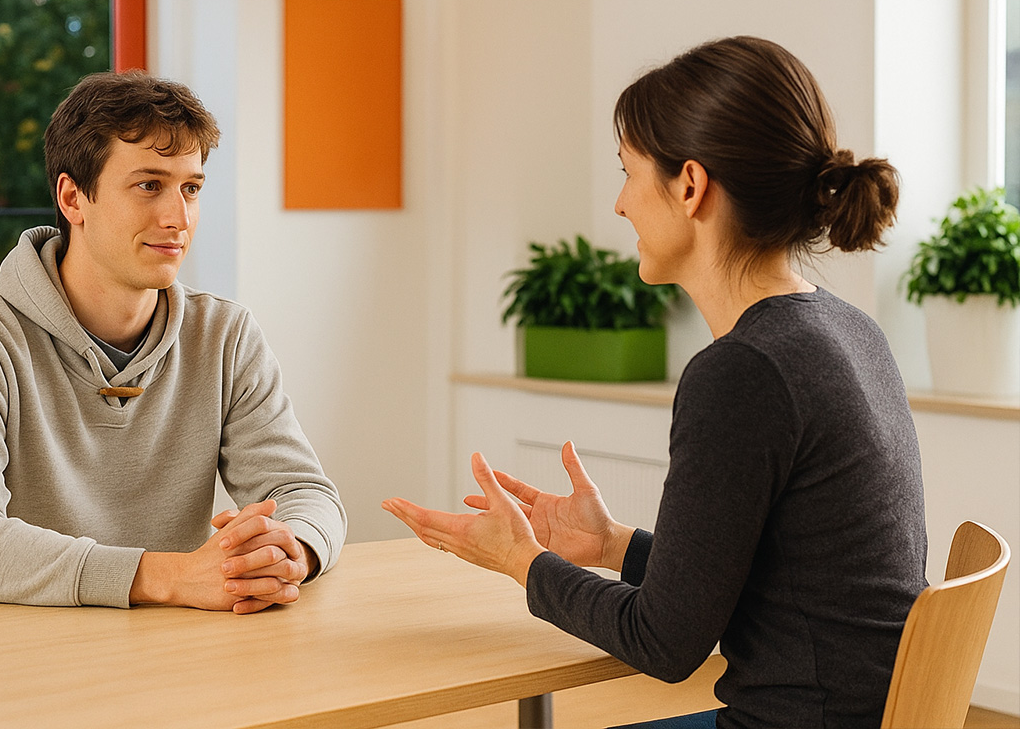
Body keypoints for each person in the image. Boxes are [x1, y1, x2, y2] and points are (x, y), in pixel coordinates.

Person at [383, 36, 927, 729]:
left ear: (690, 186)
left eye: (628, 172)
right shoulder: (849, 331)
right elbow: (790, 583)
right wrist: (613, 543)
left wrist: (522, 562)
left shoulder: (744, 372)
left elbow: (664, 642)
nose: (619, 204)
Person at [0, 71, 346, 612]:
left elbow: (305, 494)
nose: (178, 218)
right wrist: (166, 576)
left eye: (191, 188)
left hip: (163, 650)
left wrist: (290, 549)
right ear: (73, 198)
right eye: (148, 185)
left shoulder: (225, 336)